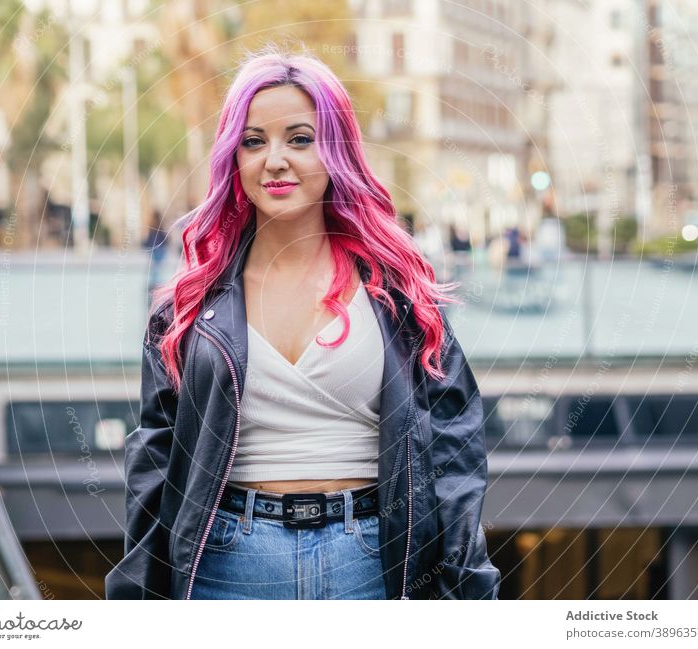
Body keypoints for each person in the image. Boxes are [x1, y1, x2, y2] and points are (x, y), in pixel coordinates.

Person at [105, 46, 500, 600]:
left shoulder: (396, 291)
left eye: (299, 138)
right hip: (225, 563)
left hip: (372, 559)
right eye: (253, 141)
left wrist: (466, 587)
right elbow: (155, 456)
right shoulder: (190, 305)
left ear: (334, 152)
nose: (275, 160)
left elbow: (454, 447)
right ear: (232, 158)